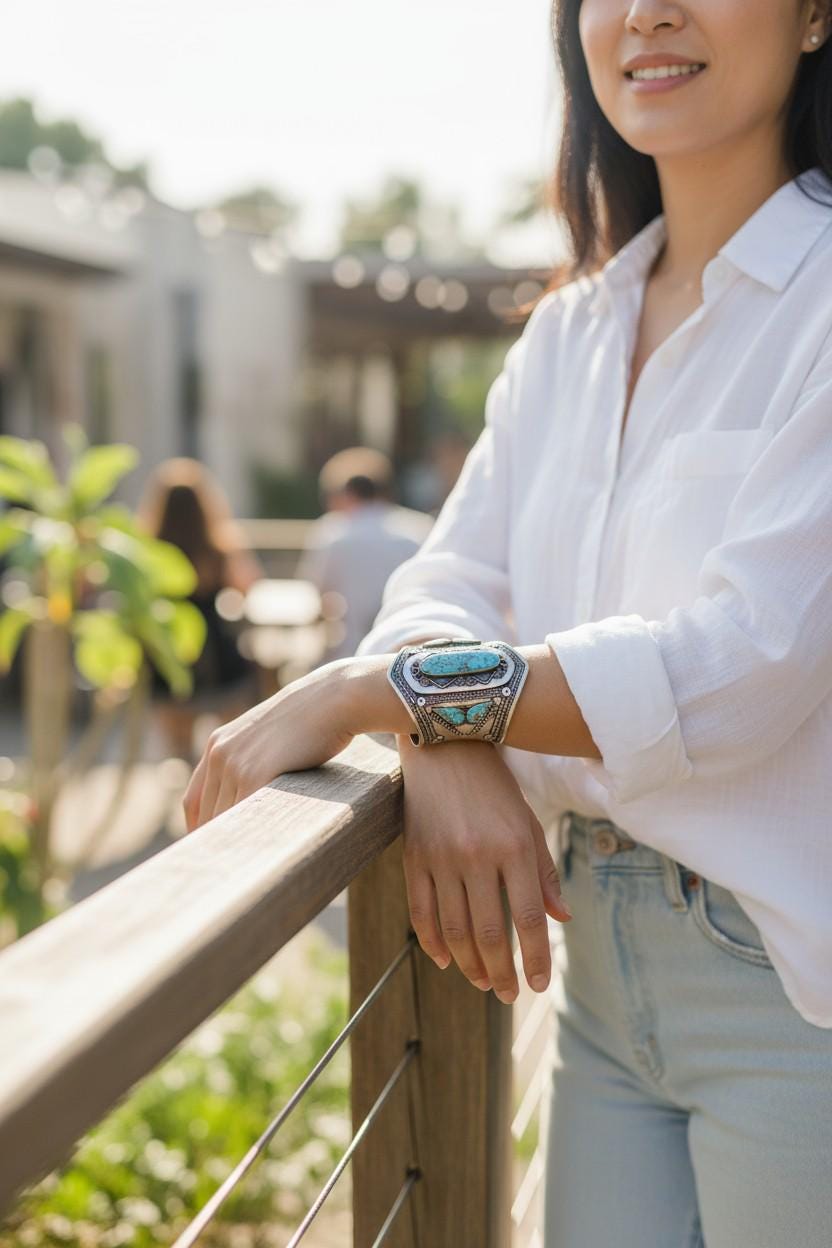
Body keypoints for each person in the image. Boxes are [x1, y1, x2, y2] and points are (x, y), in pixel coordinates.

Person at [184, 3, 832, 1244]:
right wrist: (448, 741)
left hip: (792, 994)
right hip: (590, 971)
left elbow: (738, 665)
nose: (646, 11)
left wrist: (378, 697)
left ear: (812, 15)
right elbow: (443, 581)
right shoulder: (566, 338)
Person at [138, 458, 262, 760]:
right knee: (231, 749)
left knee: (180, 754)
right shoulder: (220, 545)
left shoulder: (146, 549)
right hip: (218, 656)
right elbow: (248, 586)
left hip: (170, 657)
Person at [295, 447, 434, 661]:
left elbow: (317, 590)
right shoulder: (419, 529)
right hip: (413, 652)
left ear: (346, 493)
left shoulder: (331, 533)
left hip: (352, 653)